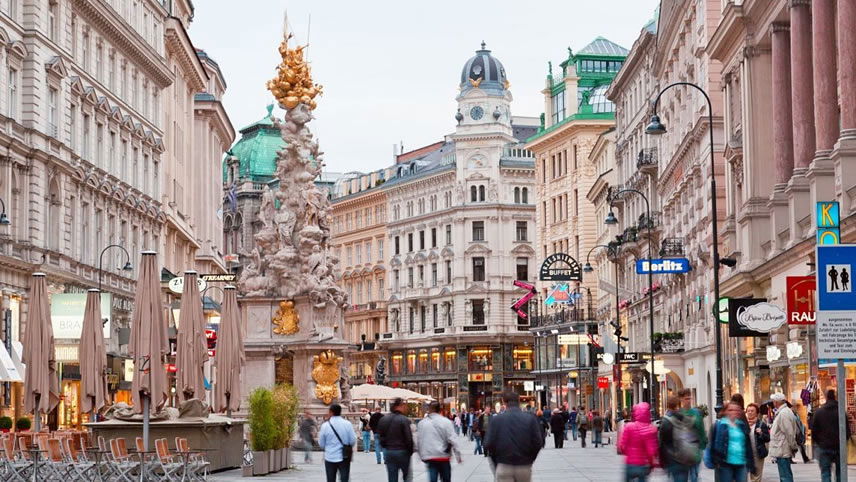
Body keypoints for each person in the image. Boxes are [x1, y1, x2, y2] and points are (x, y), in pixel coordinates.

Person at [483, 392, 543, 481]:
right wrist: (530, 459)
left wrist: (497, 461)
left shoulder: (496, 420)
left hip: (504, 465)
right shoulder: (530, 419)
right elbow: (538, 442)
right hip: (524, 465)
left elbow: (488, 443)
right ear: (518, 401)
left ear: (504, 403)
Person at [811, 389, 852, 482]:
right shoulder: (841, 412)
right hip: (839, 447)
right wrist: (843, 441)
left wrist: (819, 443)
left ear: (826, 397)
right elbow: (847, 431)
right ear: (835, 397)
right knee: (840, 472)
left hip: (824, 446)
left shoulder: (819, 412)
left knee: (825, 472)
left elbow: (814, 431)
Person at [709, 401, 755, 482]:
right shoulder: (720, 424)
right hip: (725, 463)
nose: (734, 412)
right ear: (725, 411)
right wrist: (714, 460)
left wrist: (751, 463)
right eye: (730, 410)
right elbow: (712, 444)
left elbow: (747, 445)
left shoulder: (741, 425)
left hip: (741, 462)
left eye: (736, 410)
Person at [417, 401, 462, 482]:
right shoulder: (446, 422)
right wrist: (458, 455)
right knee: (446, 479)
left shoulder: (422, 423)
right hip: (443, 456)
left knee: (433, 478)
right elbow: (453, 439)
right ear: (440, 410)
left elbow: (419, 440)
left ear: (429, 409)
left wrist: (421, 455)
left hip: (430, 456)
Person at [659, 396, 699, 481]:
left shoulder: (666, 421)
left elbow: (663, 443)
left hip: (673, 458)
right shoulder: (685, 418)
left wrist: (662, 460)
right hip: (686, 455)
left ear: (668, 405)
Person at [618, 402, 659, 481]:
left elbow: (622, 446)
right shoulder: (651, 429)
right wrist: (652, 464)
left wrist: (628, 453)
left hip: (630, 464)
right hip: (643, 465)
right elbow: (651, 451)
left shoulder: (629, 427)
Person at [377, 398, 414, 482]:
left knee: (392, 477)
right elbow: (408, 438)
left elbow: (380, 437)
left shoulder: (383, 419)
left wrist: (385, 447)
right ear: (399, 406)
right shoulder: (404, 420)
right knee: (407, 476)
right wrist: (410, 451)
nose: (405, 407)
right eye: (403, 405)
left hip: (389, 451)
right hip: (402, 451)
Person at [318, 403, 357, 482]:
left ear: (331, 412)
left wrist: (328, 447)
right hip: (344, 456)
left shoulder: (325, 425)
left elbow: (321, 443)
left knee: (330, 479)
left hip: (330, 456)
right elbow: (353, 440)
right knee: (344, 478)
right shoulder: (347, 424)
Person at [678, 388, 707, 482]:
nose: (688, 401)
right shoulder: (678, 414)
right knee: (684, 475)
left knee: (694, 474)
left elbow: (701, 430)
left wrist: (703, 444)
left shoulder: (696, 413)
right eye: (686, 398)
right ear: (681, 399)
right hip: (682, 450)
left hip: (695, 448)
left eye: (689, 398)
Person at [768, 393, 799, 482]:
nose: (773, 403)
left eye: (774, 401)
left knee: (785, 476)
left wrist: (793, 446)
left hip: (782, 449)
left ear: (777, 402)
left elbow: (789, 433)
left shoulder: (784, 413)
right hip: (782, 448)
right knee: (785, 475)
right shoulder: (783, 412)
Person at [745, 403, 770, 482]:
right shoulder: (743, 424)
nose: (750, 412)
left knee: (756, 477)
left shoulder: (761, 424)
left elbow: (767, 438)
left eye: (752, 411)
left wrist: (761, 433)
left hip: (757, 454)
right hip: (745, 454)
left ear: (756, 413)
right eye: (748, 411)